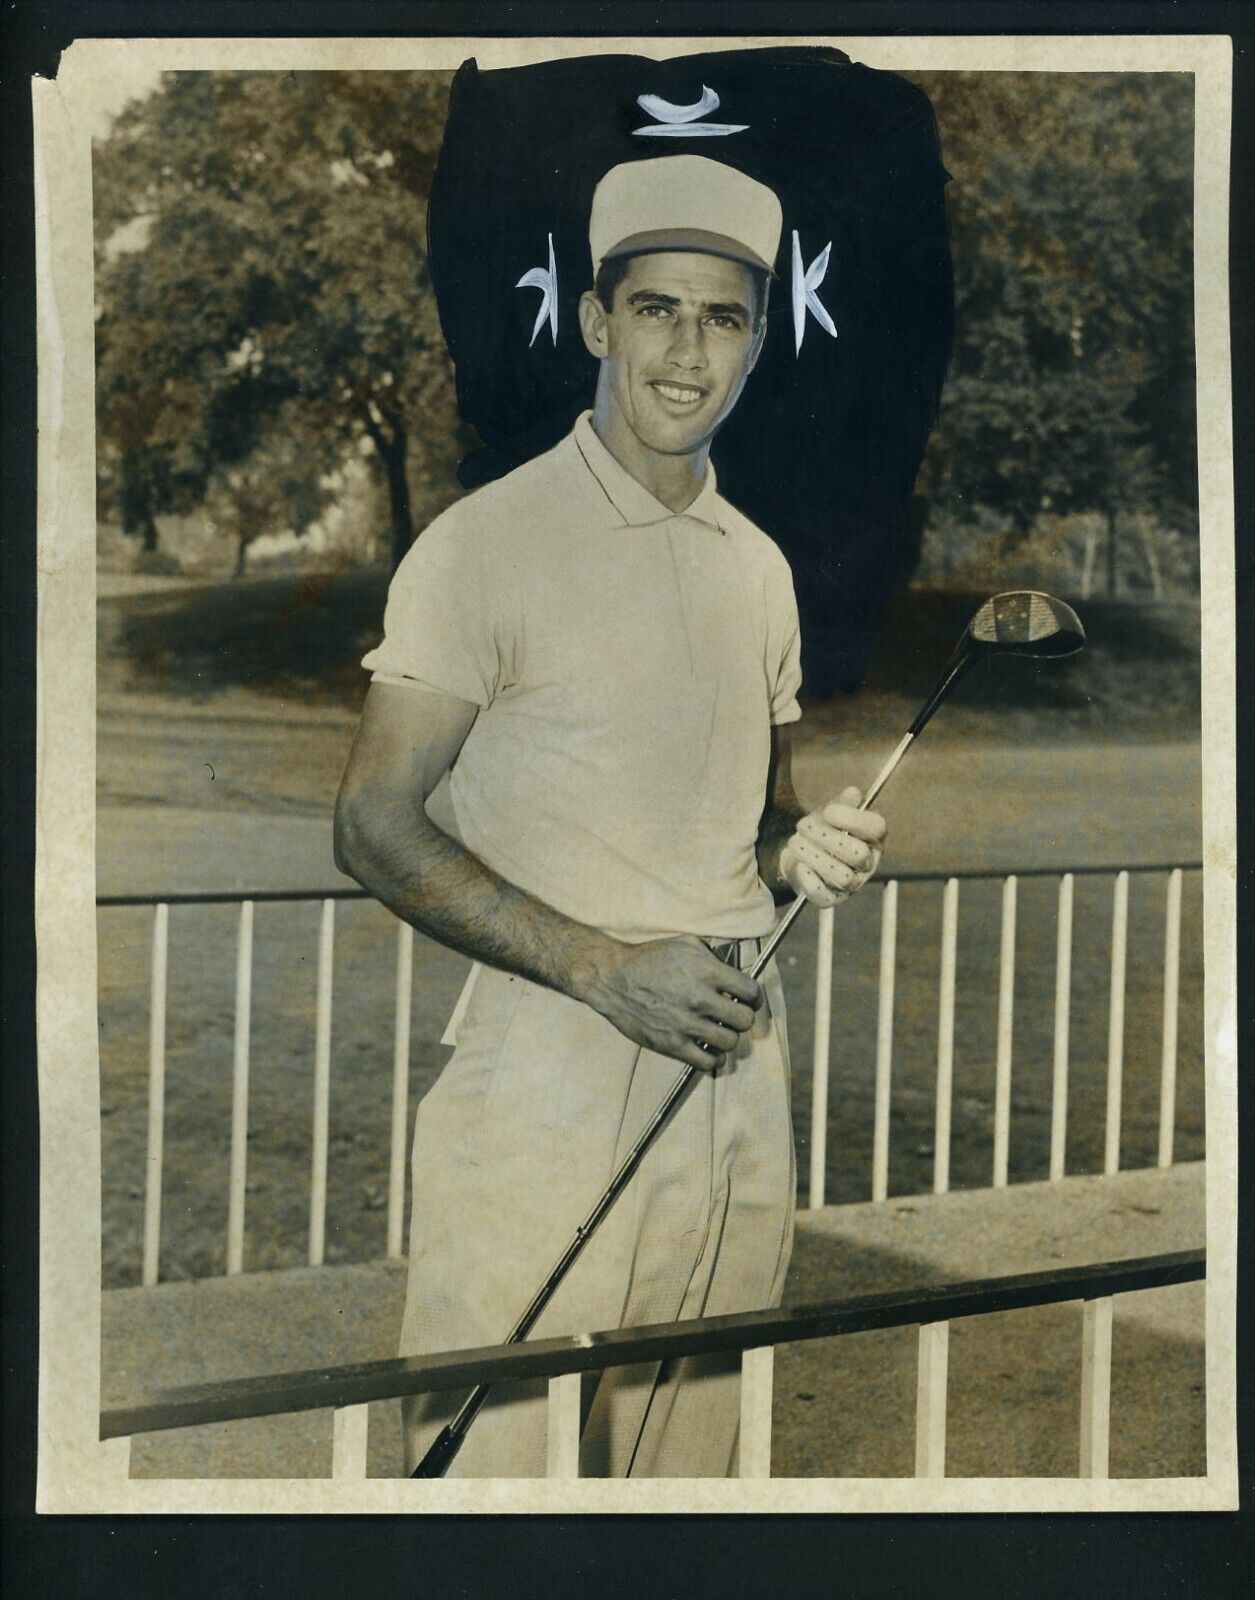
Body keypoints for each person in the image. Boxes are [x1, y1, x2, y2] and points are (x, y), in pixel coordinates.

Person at [334, 154, 887, 1477]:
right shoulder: (485, 543)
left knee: (686, 1478)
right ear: (597, 322)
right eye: (658, 309)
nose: (689, 351)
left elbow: (754, 822)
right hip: (546, 1065)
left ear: (761, 340)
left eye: (726, 316)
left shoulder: (760, 568)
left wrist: (803, 851)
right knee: (489, 1482)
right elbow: (371, 822)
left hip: (733, 1061)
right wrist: (601, 969)